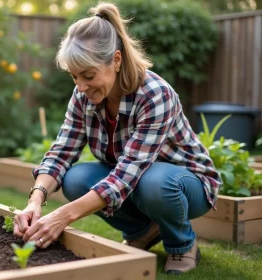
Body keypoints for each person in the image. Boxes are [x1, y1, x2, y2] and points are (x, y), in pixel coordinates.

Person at [13, 2, 222, 275]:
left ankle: (182, 245)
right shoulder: (83, 95)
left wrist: (61, 216)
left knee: (153, 182)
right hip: (135, 179)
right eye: (74, 77)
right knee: (75, 179)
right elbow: (62, 151)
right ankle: (144, 231)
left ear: (116, 60)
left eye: (88, 75)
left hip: (186, 184)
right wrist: (36, 199)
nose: (80, 86)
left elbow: (127, 176)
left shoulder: (154, 94)